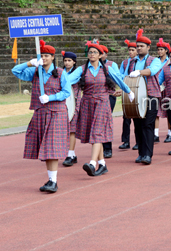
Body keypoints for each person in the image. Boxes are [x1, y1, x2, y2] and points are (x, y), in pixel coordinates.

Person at [12, 40, 71, 193]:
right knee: (45, 148)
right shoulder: (35, 71)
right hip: (41, 113)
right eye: (41, 55)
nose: (44, 58)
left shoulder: (61, 73)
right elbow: (15, 71)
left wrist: (50, 97)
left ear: (53, 57)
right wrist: (29, 63)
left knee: (51, 147)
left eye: (46, 56)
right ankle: (52, 181)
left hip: (57, 113)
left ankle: (53, 181)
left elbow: (66, 92)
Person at [67, 41, 133, 177]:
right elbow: (68, 80)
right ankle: (102, 164)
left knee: (96, 133)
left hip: (102, 103)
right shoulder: (82, 69)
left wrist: (128, 91)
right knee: (95, 133)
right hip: (87, 104)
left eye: (95, 52)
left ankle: (92, 163)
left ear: (100, 55)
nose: (92, 54)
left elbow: (119, 80)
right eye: (90, 52)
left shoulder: (107, 69)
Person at [125, 29, 163, 165]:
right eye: (137, 46)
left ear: (148, 47)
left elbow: (152, 71)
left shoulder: (155, 60)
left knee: (147, 124)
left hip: (151, 96)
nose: (139, 48)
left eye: (142, 46)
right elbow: (125, 76)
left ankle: (147, 154)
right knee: (138, 125)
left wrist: (139, 72)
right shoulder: (131, 62)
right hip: (135, 96)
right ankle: (141, 153)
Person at [99, 43, 119, 159]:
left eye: (102, 53)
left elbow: (118, 77)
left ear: (105, 54)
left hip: (109, 96)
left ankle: (107, 148)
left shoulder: (112, 65)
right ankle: (99, 147)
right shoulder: (90, 66)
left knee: (105, 120)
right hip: (96, 97)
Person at [62, 51, 81, 167]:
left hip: (74, 104)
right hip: (62, 103)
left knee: (72, 130)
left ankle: (70, 154)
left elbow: (68, 82)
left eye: (69, 60)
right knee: (65, 130)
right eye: (65, 60)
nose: (67, 63)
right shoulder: (60, 72)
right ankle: (72, 154)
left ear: (74, 62)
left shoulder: (77, 73)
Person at [119, 39, 139, 150]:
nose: (130, 52)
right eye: (129, 50)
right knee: (126, 117)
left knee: (136, 117)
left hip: (136, 90)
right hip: (127, 89)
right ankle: (125, 141)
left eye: (133, 50)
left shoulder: (139, 62)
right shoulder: (125, 62)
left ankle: (138, 141)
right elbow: (120, 74)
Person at [156, 38, 171, 143]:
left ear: (166, 50)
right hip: (157, 87)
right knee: (155, 111)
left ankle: (170, 133)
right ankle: (155, 134)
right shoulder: (155, 61)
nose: (160, 51)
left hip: (167, 88)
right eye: (158, 49)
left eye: (162, 49)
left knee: (169, 111)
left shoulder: (170, 61)